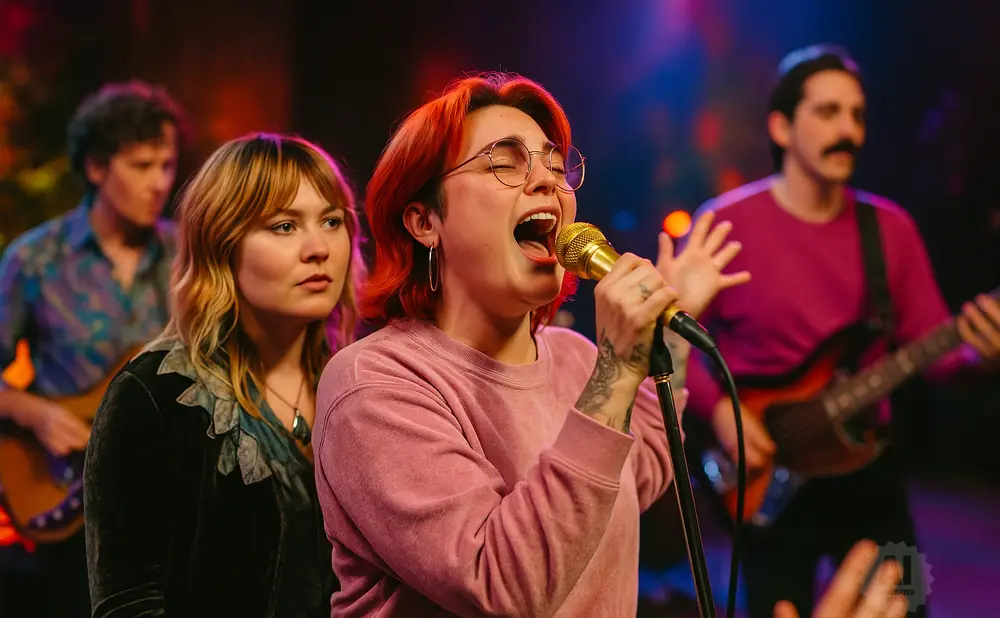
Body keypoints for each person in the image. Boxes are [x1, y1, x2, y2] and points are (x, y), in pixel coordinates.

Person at [310, 70, 792, 617]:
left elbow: (638, 472)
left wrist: (665, 338)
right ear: (425, 221)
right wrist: (613, 370)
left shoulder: (574, 356)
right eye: (505, 162)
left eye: (556, 167)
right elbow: (500, 585)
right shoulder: (375, 383)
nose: (547, 183)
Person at [682, 45, 1000, 618]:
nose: (848, 130)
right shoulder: (724, 224)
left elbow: (937, 354)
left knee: (908, 605)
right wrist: (723, 413)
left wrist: (983, 357)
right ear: (781, 125)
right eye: (828, 112)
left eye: (856, 115)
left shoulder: (890, 230)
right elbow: (669, 342)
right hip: (765, 468)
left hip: (866, 466)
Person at [83, 133, 366, 617]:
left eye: (332, 221)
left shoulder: (364, 382)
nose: (319, 248)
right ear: (222, 242)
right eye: (283, 226)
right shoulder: (154, 393)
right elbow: (128, 601)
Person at [0, 80, 186, 618]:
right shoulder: (33, 260)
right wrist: (34, 413)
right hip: (70, 501)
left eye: (167, 165)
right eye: (142, 165)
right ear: (97, 168)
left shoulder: (188, 252)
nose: (159, 183)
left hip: (171, 499)